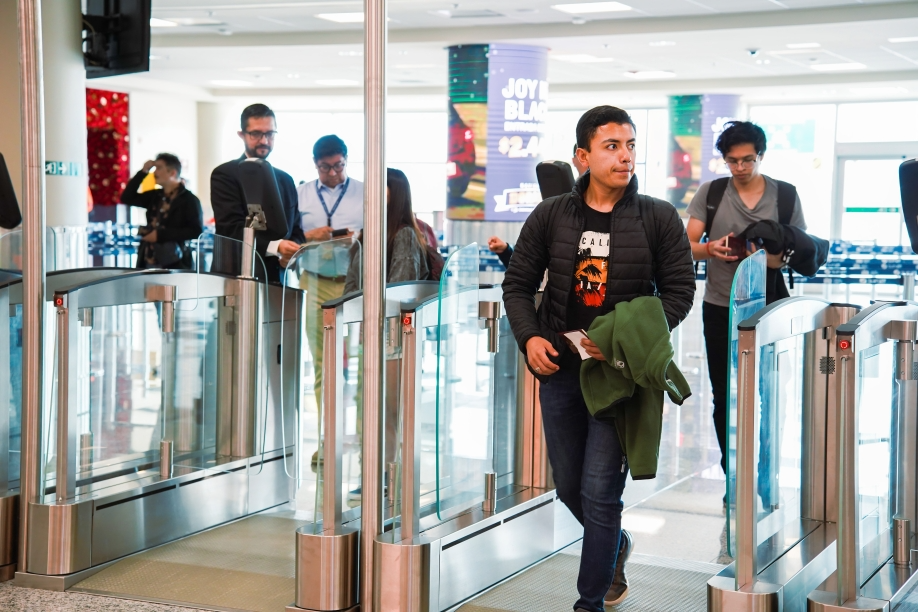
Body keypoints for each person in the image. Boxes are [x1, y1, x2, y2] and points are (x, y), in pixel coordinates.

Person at [503, 106, 695, 612]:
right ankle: (616, 545)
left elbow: (679, 294)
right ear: (582, 157)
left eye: (631, 145)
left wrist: (628, 340)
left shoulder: (657, 217)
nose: (626, 156)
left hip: (618, 377)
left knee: (600, 493)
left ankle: (588, 602)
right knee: (569, 487)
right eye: (612, 146)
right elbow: (518, 286)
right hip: (562, 371)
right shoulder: (551, 215)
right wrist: (528, 338)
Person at [685, 121, 806, 486]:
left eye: (748, 160)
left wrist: (774, 260)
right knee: (724, 396)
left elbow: (800, 248)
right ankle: (732, 476)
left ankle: (766, 470)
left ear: (761, 156)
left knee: (770, 392)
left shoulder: (784, 195)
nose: (740, 168)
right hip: (721, 305)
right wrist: (710, 249)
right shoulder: (712, 192)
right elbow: (683, 244)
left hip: (771, 307)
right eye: (733, 161)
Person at [273, 135, 364, 466]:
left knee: (364, 364)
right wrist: (312, 236)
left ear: (346, 160)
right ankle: (329, 441)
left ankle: (366, 439)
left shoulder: (365, 191)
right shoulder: (301, 194)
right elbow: (290, 237)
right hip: (317, 283)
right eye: (326, 167)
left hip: (357, 285)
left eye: (339, 165)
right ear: (315, 165)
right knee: (325, 366)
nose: (333, 173)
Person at [210, 103, 304, 281]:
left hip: (279, 280)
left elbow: (296, 230)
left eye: (269, 133)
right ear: (242, 135)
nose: (264, 140)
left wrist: (291, 252)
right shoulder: (225, 174)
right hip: (236, 278)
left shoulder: (286, 180)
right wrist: (276, 247)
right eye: (256, 134)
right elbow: (230, 230)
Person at [121, 153, 203, 269]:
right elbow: (127, 198)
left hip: (176, 261)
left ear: (172, 173)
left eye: (159, 168)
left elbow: (196, 230)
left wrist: (160, 235)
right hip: (149, 259)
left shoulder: (189, 200)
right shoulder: (156, 196)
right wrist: (143, 172)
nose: (155, 172)